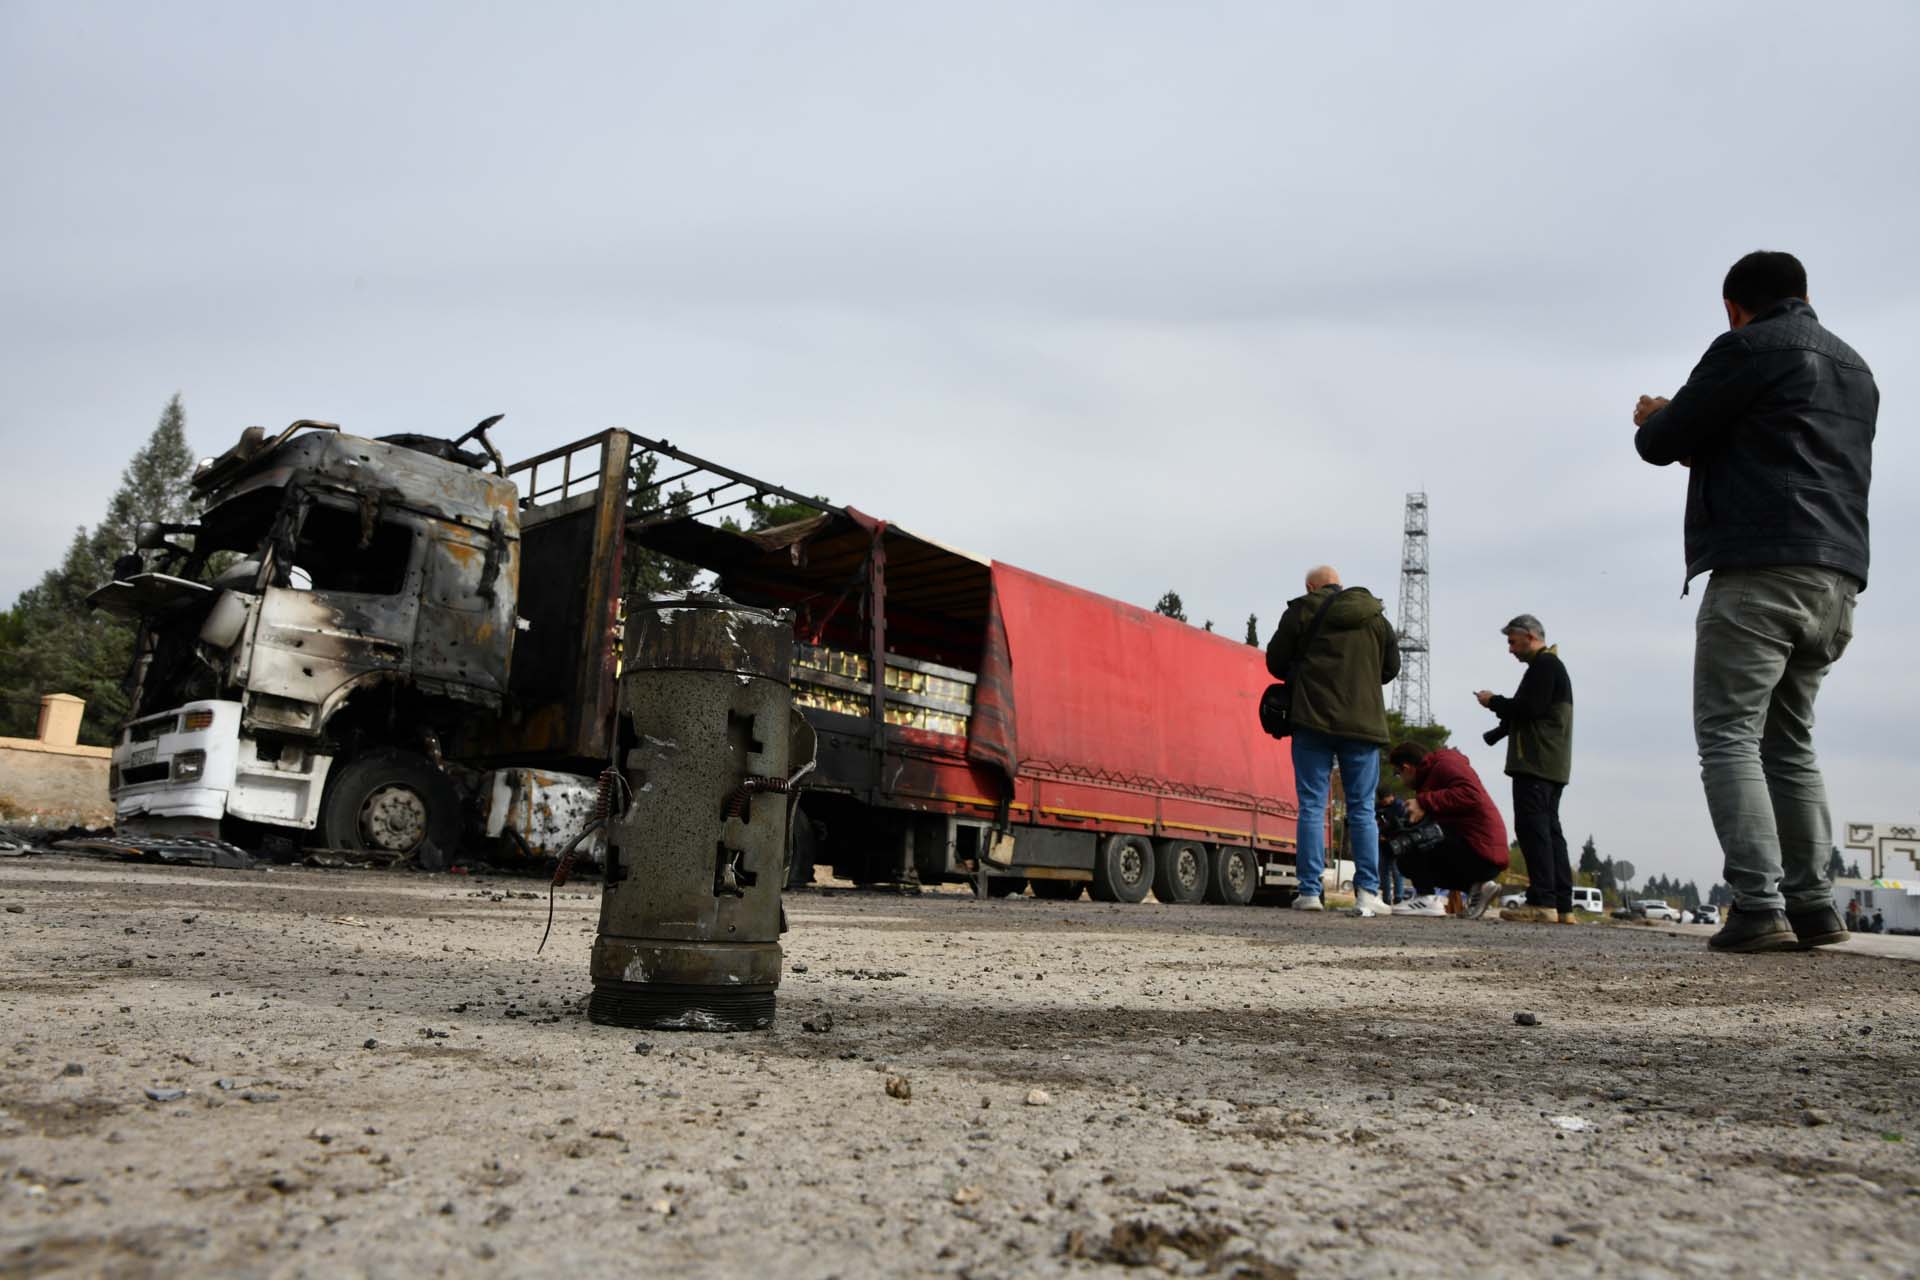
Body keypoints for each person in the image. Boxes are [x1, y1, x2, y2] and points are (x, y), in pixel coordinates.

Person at [1633, 251, 1877, 954]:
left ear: (1733, 307)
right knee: (1791, 742)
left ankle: (1758, 905)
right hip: (1838, 576)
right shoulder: (1856, 367)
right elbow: (1779, 446)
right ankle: (1815, 906)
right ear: (1805, 293)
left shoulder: (1745, 347)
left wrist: (1657, 415)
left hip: (1761, 571)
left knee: (1730, 734)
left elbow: (1663, 443)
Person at [1266, 565, 1400, 916]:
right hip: (1363, 723)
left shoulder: (1301, 611)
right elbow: (1390, 669)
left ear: (1311, 586)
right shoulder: (1376, 618)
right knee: (1363, 809)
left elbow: (1275, 662)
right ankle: (1367, 893)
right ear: (1339, 584)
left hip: (1311, 719)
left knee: (1312, 805)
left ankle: (1310, 893)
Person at [1475, 615, 1575, 923]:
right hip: (1552, 763)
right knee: (1550, 831)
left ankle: (1542, 902)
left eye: (1512, 641)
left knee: (1534, 831)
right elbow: (1533, 709)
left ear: (1530, 636)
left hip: (1535, 762)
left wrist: (1493, 701)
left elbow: (1529, 708)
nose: (1510, 649)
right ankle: (1562, 906)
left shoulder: (1544, 666)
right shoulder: (1551, 666)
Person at [1383, 742, 1509, 918]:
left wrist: (1423, 802)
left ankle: (1426, 898)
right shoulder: (1431, 776)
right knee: (1406, 850)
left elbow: (1471, 794)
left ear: (1407, 768)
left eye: (1398, 774)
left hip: (1480, 850)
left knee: (1412, 842)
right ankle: (1478, 888)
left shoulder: (1445, 764)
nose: (1401, 780)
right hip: (1481, 852)